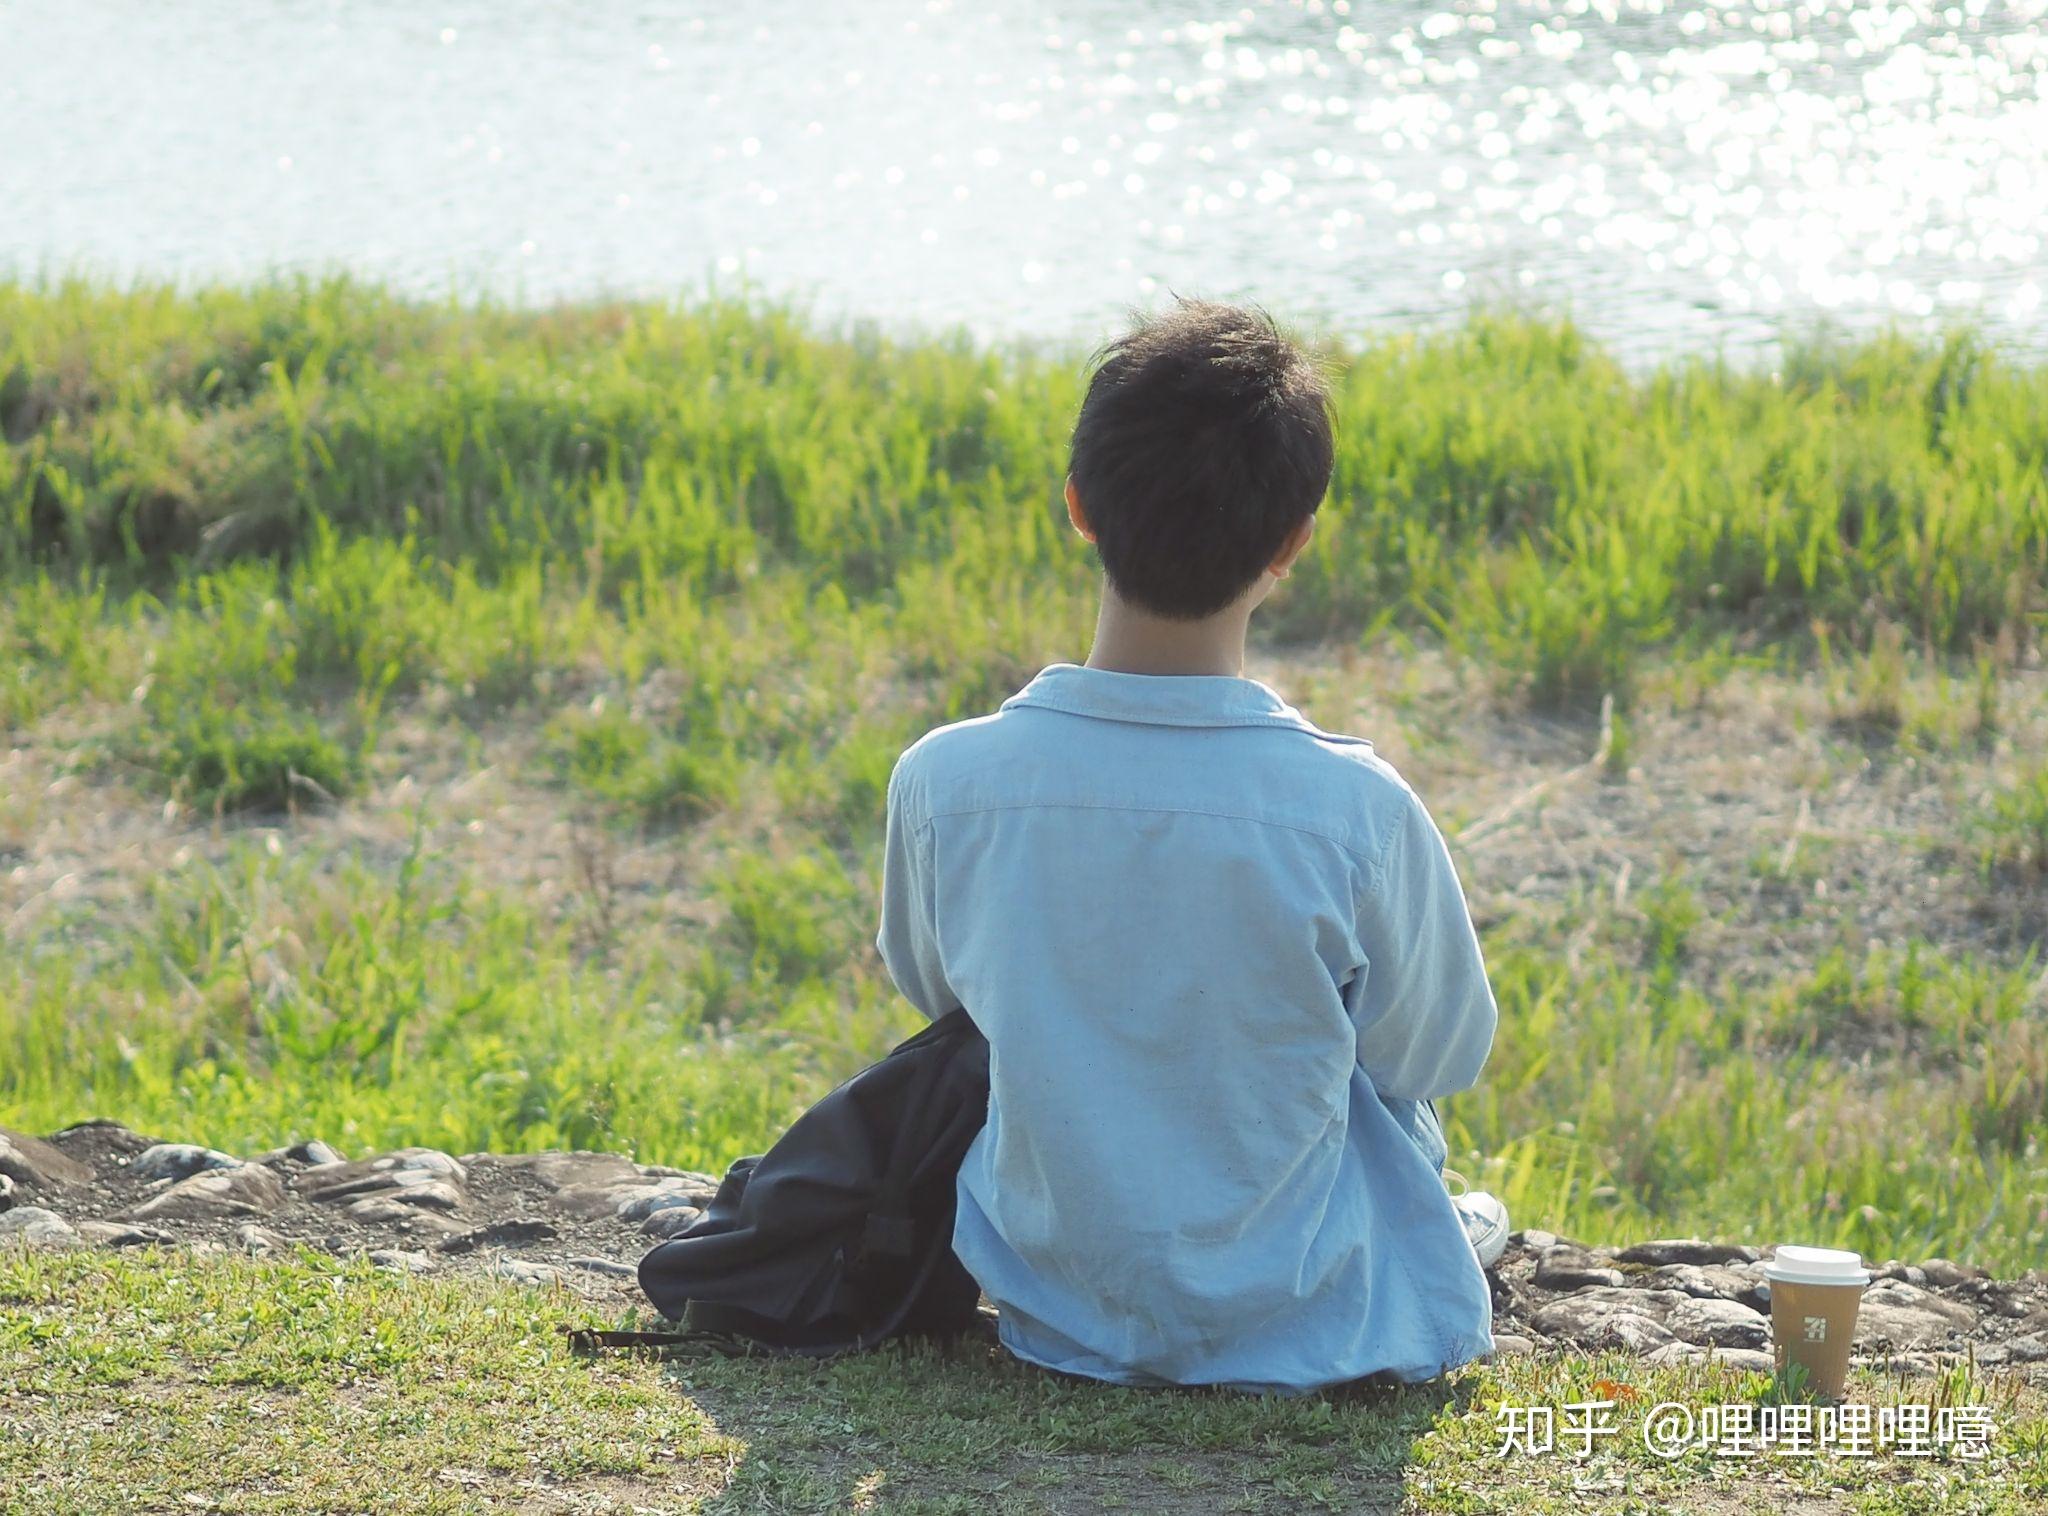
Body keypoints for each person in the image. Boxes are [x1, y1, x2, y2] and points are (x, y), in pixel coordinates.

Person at [873, 294, 1506, 1395]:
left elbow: (943, 997)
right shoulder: (1351, 809)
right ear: (1291, 543)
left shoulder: (945, 781)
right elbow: (1433, 1057)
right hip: (1314, 1313)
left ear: (1077, 506)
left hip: (1054, 1301)